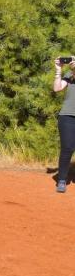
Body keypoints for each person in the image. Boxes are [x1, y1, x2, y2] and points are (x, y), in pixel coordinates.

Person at [53, 55, 75, 193]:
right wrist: (58, 70)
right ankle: (62, 180)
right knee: (67, 149)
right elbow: (57, 88)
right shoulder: (70, 74)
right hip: (67, 115)